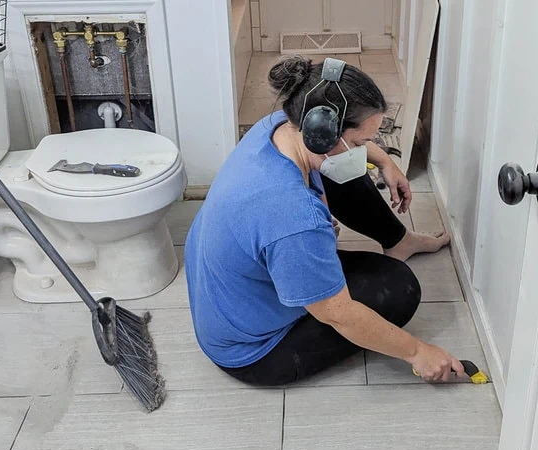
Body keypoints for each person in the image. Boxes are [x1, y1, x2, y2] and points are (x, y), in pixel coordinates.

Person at [185, 56, 464, 385]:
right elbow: (338, 313)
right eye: (362, 142)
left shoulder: (278, 127)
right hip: (252, 351)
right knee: (401, 289)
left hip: (231, 298)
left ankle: (400, 241)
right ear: (322, 132)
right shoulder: (293, 216)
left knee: (344, 168)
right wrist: (418, 352)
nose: (366, 150)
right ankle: (313, 278)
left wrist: (385, 161)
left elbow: (342, 156)